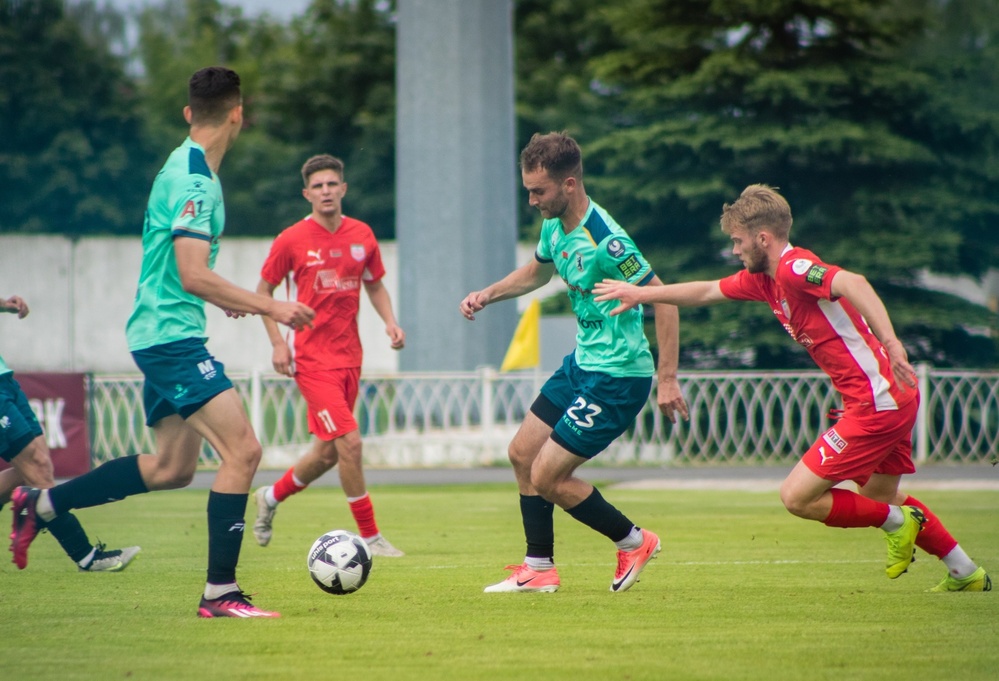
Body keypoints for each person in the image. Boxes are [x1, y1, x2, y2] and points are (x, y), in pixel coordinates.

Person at [9, 67, 316, 618]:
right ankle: (220, 593)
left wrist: (223, 295)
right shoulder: (196, 180)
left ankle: (42, 502)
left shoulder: (181, 163)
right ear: (238, 114)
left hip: (162, 332)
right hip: (170, 340)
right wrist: (272, 305)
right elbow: (193, 273)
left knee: (173, 468)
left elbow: (185, 272)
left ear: (188, 113)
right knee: (242, 452)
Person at [593, 184, 991, 593]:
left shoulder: (793, 268)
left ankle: (899, 525)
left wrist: (891, 341)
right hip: (889, 397)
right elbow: (708, 290)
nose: (734, 251)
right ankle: (966, 572)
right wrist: (643, 292)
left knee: (797, 497)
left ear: (763, 238)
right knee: (882, 497)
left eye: (737, 241)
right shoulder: (764, 280)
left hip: (878, 402)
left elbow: (854, 282)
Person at [459, 131, 690, 593]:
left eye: (538, 191)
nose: (531, 200)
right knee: (522, 454)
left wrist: (667, 379)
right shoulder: (553, 224)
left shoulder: (607, 240)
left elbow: (664, 300)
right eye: (528, 189)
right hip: (582, 364)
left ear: (568, 184)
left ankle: (634, 541)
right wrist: (489, 294)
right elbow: (536, 273)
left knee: (548, 475)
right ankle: (539, 568)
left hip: (618, 377)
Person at [252, 154, 406, 558]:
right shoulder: (291, 240)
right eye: (317, 186)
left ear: (343, 189)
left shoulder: (362, 235)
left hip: (350, 357)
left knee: (326, 453)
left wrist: (390, 321)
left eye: (331, 184)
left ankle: (269, 496)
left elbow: (374, 285)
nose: (325, 191)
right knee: (351, 443)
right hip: (312, 359)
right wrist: (278, 343)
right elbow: (262, 295)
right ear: (307, 194)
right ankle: (370, 537)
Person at [2, 295, 140, 572]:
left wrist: (4, 304)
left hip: (4, 378)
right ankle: (86, 556)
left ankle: (86, 556)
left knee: (38, 467)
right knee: (36, 468)